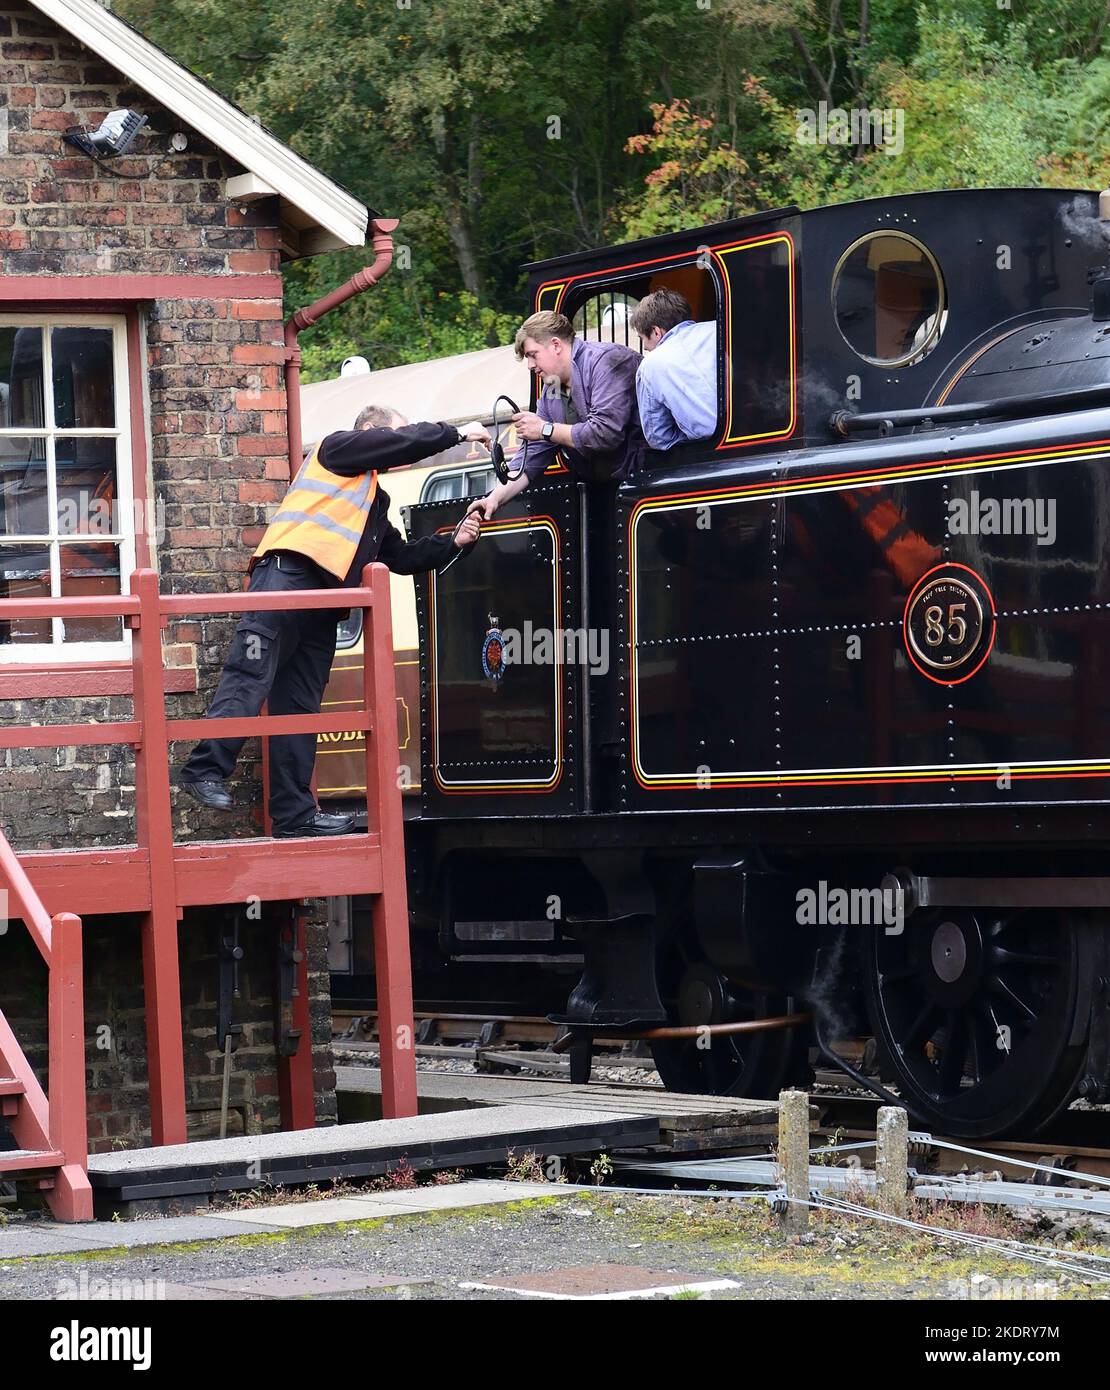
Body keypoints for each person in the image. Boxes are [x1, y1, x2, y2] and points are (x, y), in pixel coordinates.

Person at [178, 405, 487, 836]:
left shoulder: (374, 500)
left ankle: (294, 816)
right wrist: (456, 432)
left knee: (300, 708)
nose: (401, 448)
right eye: (394, 437)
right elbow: (404, 441)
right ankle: (204, 769)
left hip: (323, 605)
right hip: (287, 578)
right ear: (372, 433)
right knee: (250, 672)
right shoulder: (338, 447)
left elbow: (400, 557)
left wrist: (454, 541)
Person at [468, 310, 643, 520]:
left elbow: (605, 433)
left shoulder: (606, 362)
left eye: (533, 355)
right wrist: (494, 498)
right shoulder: (551, 388)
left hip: (644, 485)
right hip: (606, 495)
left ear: (556, 345)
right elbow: (533, 455)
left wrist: (544, 429)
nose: (530, 366)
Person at [629, 289, 718, 450]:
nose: (645, 347)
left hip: (707, 448)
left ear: (656, 332)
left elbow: (659, 438)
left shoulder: (650, 366)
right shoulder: (719, 329)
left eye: (642, 338)